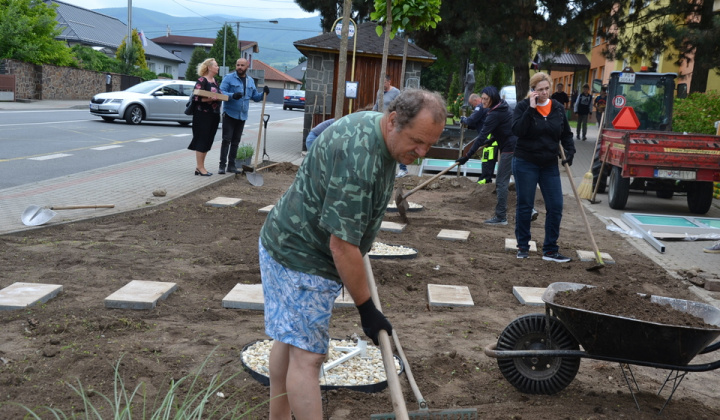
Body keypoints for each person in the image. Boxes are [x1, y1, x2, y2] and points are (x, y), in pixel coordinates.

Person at [258, 88, 447, 420]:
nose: (421, 152)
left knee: (288, 339)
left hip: (284, 238)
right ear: (393, 121)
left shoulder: (379, 134)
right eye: (417, 140)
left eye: (429, 144)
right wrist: (367, 309)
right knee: (308, 358)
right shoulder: (360, 160)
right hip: (303, 257)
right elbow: (341, 246)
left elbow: (350, 229)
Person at [512, 72, 575, 262]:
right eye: (540, 90)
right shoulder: (523, 107)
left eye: (547, 88)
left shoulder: (557, 108)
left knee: (556, 206)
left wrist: (570, 151)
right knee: (525, 206)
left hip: (549, 165)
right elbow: (518, 131)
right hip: (526, 162)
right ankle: (523, 246)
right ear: (533, 91)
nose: (545, 93)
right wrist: (531, 110)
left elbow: (566, 134)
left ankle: (550, 250)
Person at [456, 86, 517, 225]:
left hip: (510, 149)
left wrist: (467, 156)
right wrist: (493, 140)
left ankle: (501, 217)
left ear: (493, 98)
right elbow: (505, 128)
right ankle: (529, 209)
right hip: (515, 145)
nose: (483, 101)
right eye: (482, 98)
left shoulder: (494, 114)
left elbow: (481, 137)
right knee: (519, 177)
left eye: (485, 99)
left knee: (501, 181)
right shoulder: (503, 106)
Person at [218, 58, 269, 174]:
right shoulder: (228, 78)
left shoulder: (250, 81)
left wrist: (264, 93)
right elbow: (220, 92)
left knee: (236, 141)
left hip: (242, 116)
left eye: (242, 65)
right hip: (229, 114)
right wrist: (232, 95)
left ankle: (231, 165)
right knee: (226, 140)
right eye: (238, 65)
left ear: (247, 66)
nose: (239, 67)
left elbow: (255, 97)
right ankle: (222, 166)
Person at [187, 58, 222, 176]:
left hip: (214, 114)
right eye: (216, 65)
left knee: (208, 140)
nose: (218, 67)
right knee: (202, 139)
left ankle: (200, 167)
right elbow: (196, 97)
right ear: (209, 67)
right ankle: (200, 167)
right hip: (202, 115)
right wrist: (209, 98)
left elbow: (219, 95)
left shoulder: (214, 81)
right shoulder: (202, 80)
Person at [372, 75, 405, 177]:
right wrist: (371, 114)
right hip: (381, 122)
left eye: (384, 82)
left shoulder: (396, 92)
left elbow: (400, 106)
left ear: (389, 82)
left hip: (392, 123)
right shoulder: (379, 92)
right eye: (380, 82)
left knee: (395, 144)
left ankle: (403, 169)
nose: (382, 85)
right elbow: (377, 105)